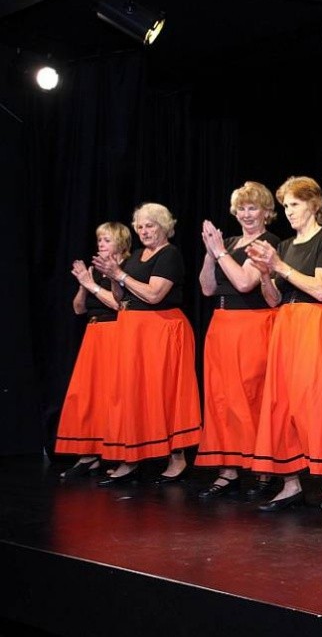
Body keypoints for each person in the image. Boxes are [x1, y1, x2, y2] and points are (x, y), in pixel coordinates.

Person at [245, 176, 322, 512]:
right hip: (286, 323)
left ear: (314, 204)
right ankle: (291, 483)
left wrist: (279, 266)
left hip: (316, 321)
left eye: (295, 204)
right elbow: (272, 300)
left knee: (317, 400)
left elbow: (321, 288)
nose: (289, 211)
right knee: (283, 403)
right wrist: (266, 274)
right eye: (285, 206)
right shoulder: (284, 245)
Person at [91, 203, 203, 485]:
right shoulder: (136, 256)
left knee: (164, 393)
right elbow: (120, 298)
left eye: (149, 225)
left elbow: (154, 295)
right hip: (132, 329)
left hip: (160, 329)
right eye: (139, 226)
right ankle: (130, 457)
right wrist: (114, 275)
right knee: (131, 394)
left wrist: (120, 275)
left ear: (164, 226)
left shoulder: (170, 254)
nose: (143, 231)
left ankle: (177, 459)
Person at [194, 181, 280, 499]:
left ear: (266, 212)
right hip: (222, 324)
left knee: (252, 396)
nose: (246, 214)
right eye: (241, 208)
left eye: (253, 207)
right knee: (222, 400)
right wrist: (210, 254)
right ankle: (228, 470)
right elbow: (207, 288)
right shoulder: (227, 243)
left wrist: (219, 253)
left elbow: (245, 282)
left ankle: (264, 468)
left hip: (253, 324)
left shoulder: (268, 242)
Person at [55, 222, 132, 478]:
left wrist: (92, 285)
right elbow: (79, 309)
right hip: (93, 333)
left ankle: (117, 453)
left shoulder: (125, 267)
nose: (101, 244)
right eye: (100, 240)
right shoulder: (94, 271)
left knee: (113, 395)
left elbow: (118, 304)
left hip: (115, 333)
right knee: (88, 394)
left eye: (107, 240)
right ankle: (88, 455)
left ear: (120, 242)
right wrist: (83, 284)